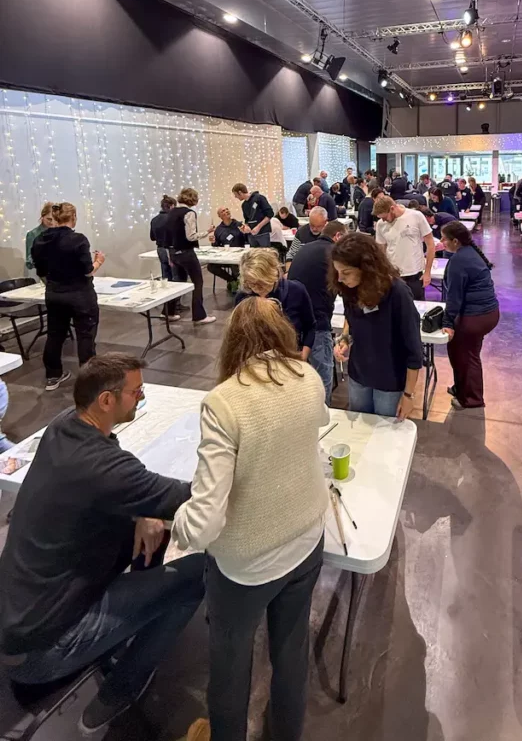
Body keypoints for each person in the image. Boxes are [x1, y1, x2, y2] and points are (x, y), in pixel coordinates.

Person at [0, 355, 205, 734]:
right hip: (41, 650)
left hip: (16, 618)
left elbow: (113, 486)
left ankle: (127, 623)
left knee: (151, 531)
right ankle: (118, 692)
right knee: (198, 575)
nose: (141, 397)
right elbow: (188, 496)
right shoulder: (104, 468)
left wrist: (143, 512)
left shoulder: (63, 428)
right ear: (106, 401)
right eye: (135, 391)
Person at [172, 301, 328, 741]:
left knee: (230, 664)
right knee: (291, 654)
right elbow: (320, 420)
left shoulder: (223, 402)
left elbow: (202, 524)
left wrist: (173, 522)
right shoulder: (308, 377)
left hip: (245, 566)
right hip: (306, 538)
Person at [330, 234, 422, 418]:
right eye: (337, 272)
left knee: (385, 435)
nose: (340, 279)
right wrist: (345, 339)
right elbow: (351, 319)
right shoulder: (350, 289)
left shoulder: (397, 293)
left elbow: (414, 350)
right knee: (360, 431)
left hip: (389, 380)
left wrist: (408, 395)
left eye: (346, 272)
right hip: (359, 374)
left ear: (365, 268)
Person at [31, 202, 104, 391]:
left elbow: (41, 271)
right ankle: (88, 380)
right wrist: (98, 262)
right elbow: (87, 271)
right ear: (74, 218)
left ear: (54, 217)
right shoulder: (78, 240)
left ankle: (52, 376)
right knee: (86, 336)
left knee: (55, 335)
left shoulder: (39, 240)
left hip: (54, 294)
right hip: (80, 295)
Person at [439, 221, 499, 410]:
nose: (441, 242)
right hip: (487, 314)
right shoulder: (469, 253)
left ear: (455, 241)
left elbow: (454, 297)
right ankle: (462, 389)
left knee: (465, 355)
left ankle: (472, 399)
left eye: (444, 239)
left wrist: (448, 322)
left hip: (476, 317)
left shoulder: (459, 260)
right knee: (465, 353)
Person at [288, 219, 348, 403]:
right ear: (337, 236)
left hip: (291, 319)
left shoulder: (305, 248)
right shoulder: (333, 254)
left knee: (298, 370)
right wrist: (345, 334)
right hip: (316, 320)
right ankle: (323, 412)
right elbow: (347, 290)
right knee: (323, 371)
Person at [235, 248, 315, 361]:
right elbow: (238, 335)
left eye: (263, 283)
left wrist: (303, 355)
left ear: (274, 274)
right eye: (251, 283)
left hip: (291, 357)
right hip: (256, 360)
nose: (257, 288)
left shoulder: (296, 291)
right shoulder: (243, 297)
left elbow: (310, 327)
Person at [165, 188, 216, 325]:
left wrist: (170, 254)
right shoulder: (189, 213)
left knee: (178, 283)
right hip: (186, 253)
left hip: (174, 253)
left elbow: (168, 236)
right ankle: (199, 316)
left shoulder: (171, 212)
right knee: (197, 282)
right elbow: (191, 236)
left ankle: (169, 312)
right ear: (192, 199)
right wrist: (207, 232)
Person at [373, 194, 435, 300]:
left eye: (384, 217)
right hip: (392, 275)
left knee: (416, 309)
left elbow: (430, 244)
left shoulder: (416, 216)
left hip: (414, 274)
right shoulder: (380, 224)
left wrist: (428, 272)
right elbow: (381, 251)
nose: (383, 220)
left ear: (392, 208)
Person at [149, 195, 182, 319]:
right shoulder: (172, 219)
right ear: (172, 206)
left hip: (160, 249)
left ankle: (168, 307)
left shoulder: (154, 219)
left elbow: (152, 237)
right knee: (177, 278)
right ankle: (174, 306)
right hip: (172, 249)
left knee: (166, 278)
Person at [209, 206, 246, 292]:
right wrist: (213, 241)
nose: (226, 211)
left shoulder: (239, 225)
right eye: (223, 211)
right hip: (225, 256)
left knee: (234, 265)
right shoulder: (219, 229)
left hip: (238, 256)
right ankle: (231, 280)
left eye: (227, 209)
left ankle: (238, 285)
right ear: (220, 216)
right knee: (211, 266)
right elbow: (216, 246)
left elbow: (246, 240)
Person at [232, 182, 274, 248]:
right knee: (253, 256)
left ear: (240, 192)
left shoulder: (259, 198)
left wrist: (258, 227)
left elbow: (270, 214)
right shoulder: (244, 205)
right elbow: (247, 220)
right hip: (251, 235)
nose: (235, 197)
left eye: (235, 194)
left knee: (265, 255)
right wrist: (245, 227)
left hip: (262, 233)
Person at [24, 201, 55, 274]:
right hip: (41, 274)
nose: (52, 222)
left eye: (54, 219)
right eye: (49, 219)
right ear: (42, 217)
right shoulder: (33, 234)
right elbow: (29, 261)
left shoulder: (59, 232)